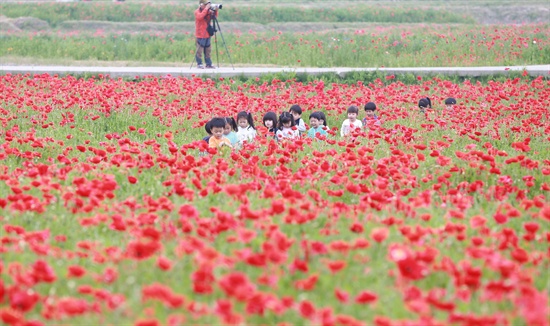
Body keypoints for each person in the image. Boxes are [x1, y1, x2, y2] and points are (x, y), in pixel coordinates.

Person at [194, 0, 218, 69]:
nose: (207, 6)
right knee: (199, 50)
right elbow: (200, 17)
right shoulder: (197, 11)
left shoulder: (208, 11)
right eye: (206, 4)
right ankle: (199, 63)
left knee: (208, 49)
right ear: (201, 5)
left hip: (207, 33)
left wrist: (215, 11)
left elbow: (214, 17)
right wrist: (206, 9)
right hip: (200, 34)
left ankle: (209, 63)